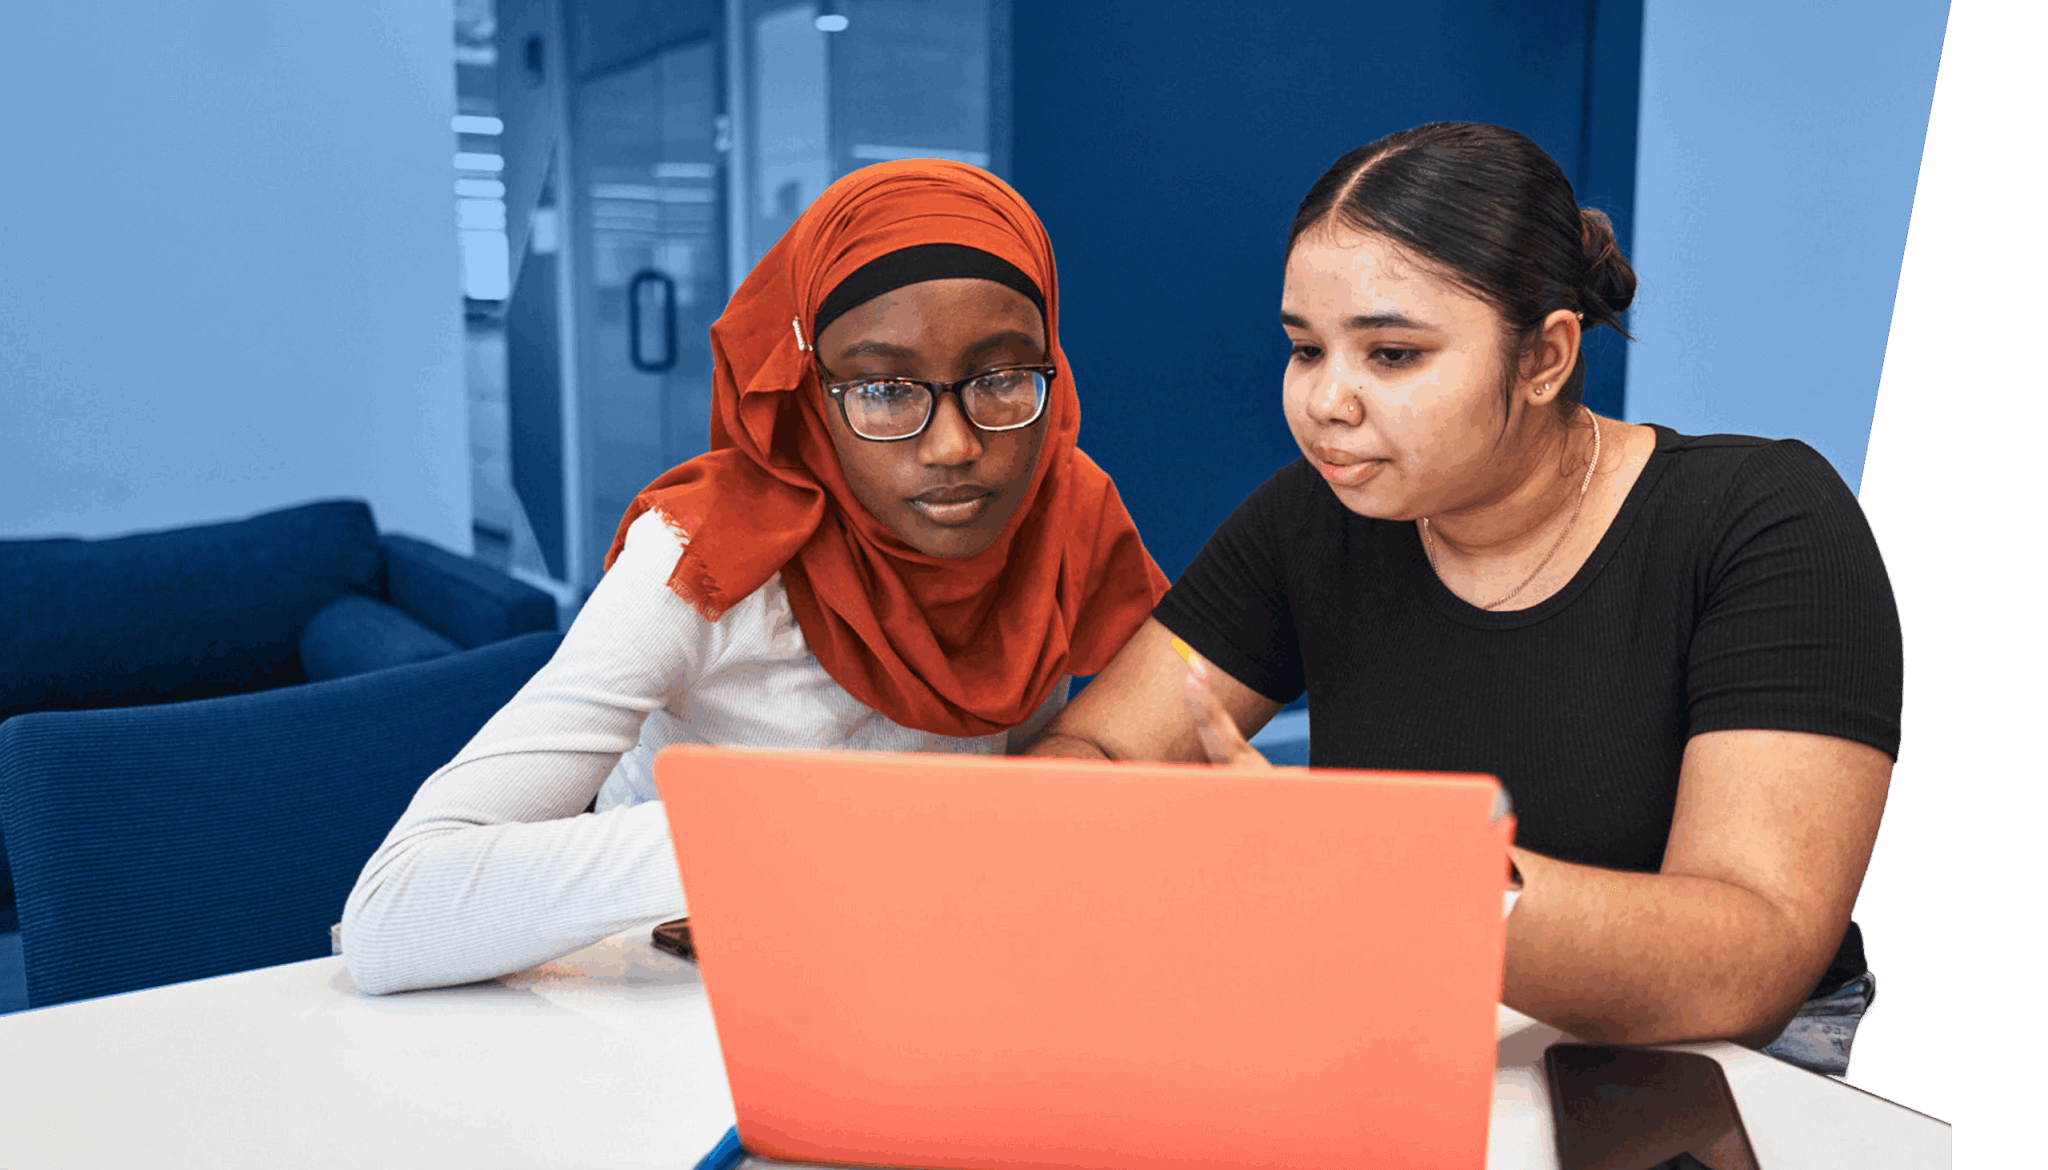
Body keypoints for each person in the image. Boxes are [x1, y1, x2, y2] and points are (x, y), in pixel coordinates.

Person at [1027, 123, 1902, 1085]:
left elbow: (1751, 959)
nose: (1326, 401)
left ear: (1544, 359)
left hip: (1715, 1058)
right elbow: (1097, 757)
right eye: (1306, 350)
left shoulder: (1762, 519)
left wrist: (1380, 879)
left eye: (1392, 355)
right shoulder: (1313, 517)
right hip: (1416, 1012)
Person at [343, 160, 1167, 995]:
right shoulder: (706, 557)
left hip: (942, 985)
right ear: (811, 388)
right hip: (690, 1014)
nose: (953, 445)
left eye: (999, 380)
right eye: (882, 389)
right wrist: (787, 833)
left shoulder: (1062, 514)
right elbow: (393, 913)